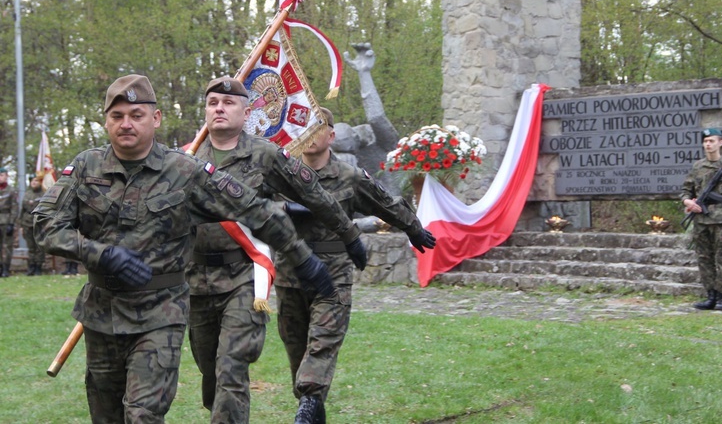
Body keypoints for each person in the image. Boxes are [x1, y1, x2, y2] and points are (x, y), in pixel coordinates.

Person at [32, 74, 339, 424]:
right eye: (117, 117)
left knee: (143, 414)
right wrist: (97, 253)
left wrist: (303, 258)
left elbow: (255, 210)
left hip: (160, 315)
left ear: (156, 118)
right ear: (106, 121)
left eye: (136, 114)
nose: (126, 124)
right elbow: (44, 225)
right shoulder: (86, 167)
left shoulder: (185, 171)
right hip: (101, 314)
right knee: (107, 416)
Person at [186, 76, 367, 423]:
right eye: (212, 103)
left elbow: (314, 194)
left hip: (245, 276)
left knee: (231, 367)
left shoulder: (265, 155)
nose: (219, 108)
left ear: (246, 111)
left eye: (228, 103)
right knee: (211, 374)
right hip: (197, 279)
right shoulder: (186, 158)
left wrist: (349, 234)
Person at [275, 107, 436, 424]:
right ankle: (311, 406)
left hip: (332, 274)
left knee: (322, 343)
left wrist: (413, 227)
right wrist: (283, 206)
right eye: (305, 126)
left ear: (331, 136)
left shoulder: (348, 177)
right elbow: (250, 202)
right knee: (298, 353)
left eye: (318, 127)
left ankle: (308, 402)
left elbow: (384, 201)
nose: (310, 133)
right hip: (290, 274)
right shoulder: (283, 173)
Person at [680, 128, 722, 311]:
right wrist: (689, 202)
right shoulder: (697, 167)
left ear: (720, 143)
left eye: (712, 141)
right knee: (704, 259)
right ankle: (710, 296)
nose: (708, 144)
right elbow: (685, 190)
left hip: (721, 221)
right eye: (705, 141)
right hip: (701, 221)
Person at [20, 175, 45, 275]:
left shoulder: (44, 194)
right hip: (27, 223)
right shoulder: (27, 194)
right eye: (31, 181)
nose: (33, 183)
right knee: (30, 247)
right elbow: (22, 210)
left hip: (39, 223)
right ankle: (31, 266)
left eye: (35, 181)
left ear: (39, 182)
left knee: (39, 247)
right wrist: (21, 225)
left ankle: (39, 267)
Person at [0, 166, 19, 278]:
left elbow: (14, 208)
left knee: (7, 246)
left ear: (6, 176)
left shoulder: (11, 190)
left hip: (6, 220)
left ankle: (6, 268)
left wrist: (11, 223)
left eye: (2, 175)